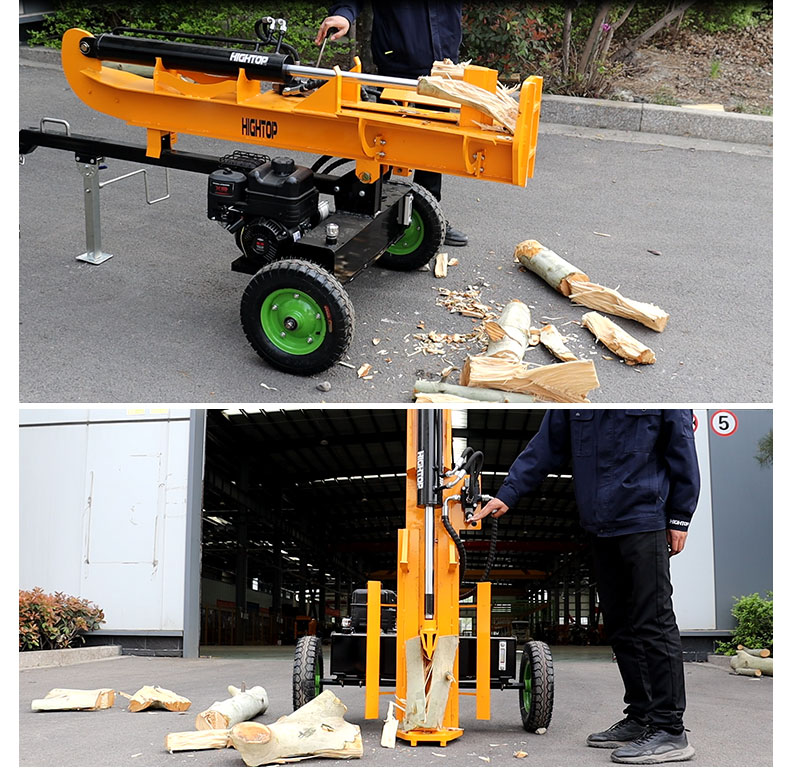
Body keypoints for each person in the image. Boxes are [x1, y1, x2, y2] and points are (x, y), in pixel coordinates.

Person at [470, 409, 700, 765]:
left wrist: (680, 516)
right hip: (599, 526)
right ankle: (641, 716)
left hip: (644, 519)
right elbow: (545, 446)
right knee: (621, 626)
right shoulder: (574, 402)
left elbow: (681, 445)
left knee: (653, 622)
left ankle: (669, 729)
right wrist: (509, 493)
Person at [315, 1, 468, 247]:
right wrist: (344, 14)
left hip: (443, 64)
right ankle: (369, 212)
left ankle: (428, 214)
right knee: (384, 142)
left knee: (434, 142)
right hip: (396, 62)